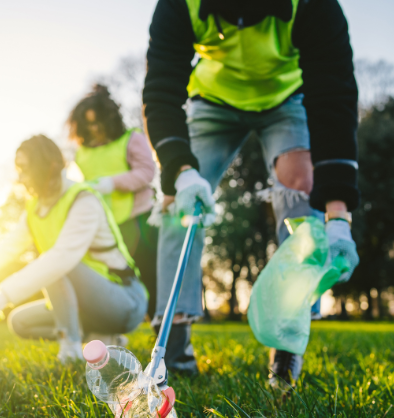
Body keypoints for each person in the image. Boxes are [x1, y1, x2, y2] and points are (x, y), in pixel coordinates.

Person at [143, 0, 360, 385]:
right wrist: (181, 171)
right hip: (212, 101)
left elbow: (333, 99)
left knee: (300, 189)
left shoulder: (313, 6)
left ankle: (286, 348)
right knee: (180, 201)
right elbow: (160, 88)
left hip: (286, 99)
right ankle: (173, 348)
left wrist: (338, 214)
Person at [0, 135, 148, 362]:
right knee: (20, 322)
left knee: (54, 265)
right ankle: (103, 338)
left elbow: (59, 260)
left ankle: (71, 348)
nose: (20, 177)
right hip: (87, 306)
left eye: (25, 169)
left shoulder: (83, 200)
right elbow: (6, 248)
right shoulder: (34, 210)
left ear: (49, 167)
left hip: (124, 301)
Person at [67, 84, 159, 319]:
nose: (95, 128)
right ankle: (115, 322)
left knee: (148, 274)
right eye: (89, 124)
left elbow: (147, 172)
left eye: (98, 122)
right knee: (109, 274)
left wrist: (112, 183)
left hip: (138, 219)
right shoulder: (81, 152)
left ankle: (159, 323)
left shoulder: (131, 139)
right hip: (104, 224)